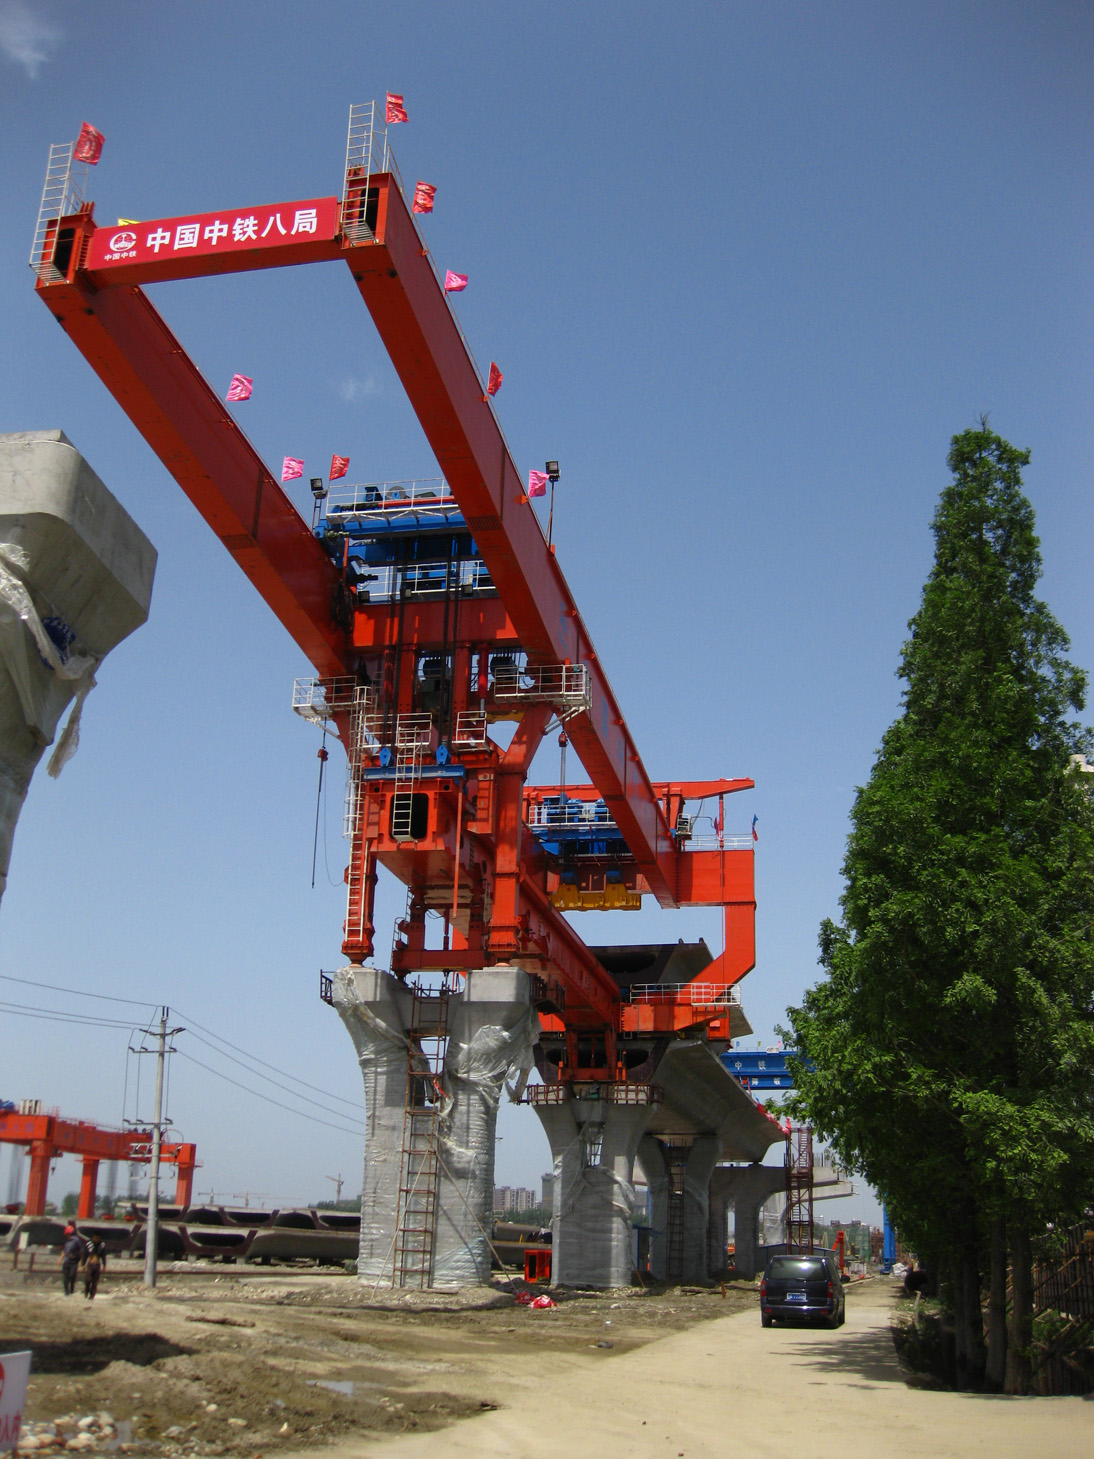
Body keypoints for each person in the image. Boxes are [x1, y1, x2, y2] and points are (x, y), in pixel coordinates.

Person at [60, 1228, 84, 1296]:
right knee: (65, 1277)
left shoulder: (76, 1240)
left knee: (72, 1275)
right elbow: (64, 1251)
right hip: (66, 1260)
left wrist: (81, 1261)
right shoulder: (66, 1241)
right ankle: (66, 1291)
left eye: (67, 1234)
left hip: (74, 1261)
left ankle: (71, 1289)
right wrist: (60, 1259)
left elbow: (81, 1250)